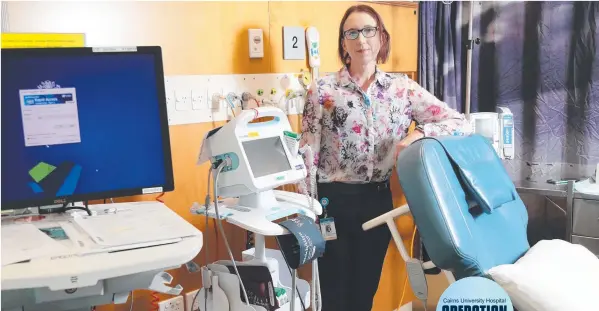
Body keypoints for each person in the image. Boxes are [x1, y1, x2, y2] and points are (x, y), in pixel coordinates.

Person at [299, 4, 472, 311]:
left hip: (376, 202)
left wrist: (418, 133)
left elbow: (460, 122)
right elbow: (307, 154)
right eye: (351, 32)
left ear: (381, 38)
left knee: (364, 293)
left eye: (368, 30)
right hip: (330, 203)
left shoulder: (402, 90)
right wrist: (307, 210)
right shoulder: (323, 90)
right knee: (332, 294)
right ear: (343, 43)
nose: (361, 39)